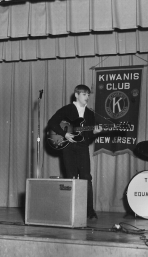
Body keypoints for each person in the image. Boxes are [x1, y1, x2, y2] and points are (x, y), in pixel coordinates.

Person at [48, 84, 102, 219]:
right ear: (77, 95)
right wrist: (64, 134)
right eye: (84, 94)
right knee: (70, 176)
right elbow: (52, 123)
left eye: (88, 95)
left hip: (82, 146)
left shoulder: (90, 113)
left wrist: (94, 132)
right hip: (68, 147)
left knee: (86, 178)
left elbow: (88, 135)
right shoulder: (67, 109)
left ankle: (89, 211)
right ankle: (69, 209)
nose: (87, 97)